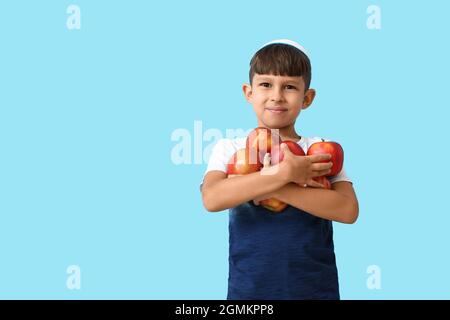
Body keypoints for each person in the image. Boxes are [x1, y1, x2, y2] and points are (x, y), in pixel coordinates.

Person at [200, 39, 359, 300]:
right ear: (248, 92)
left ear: (307, 98)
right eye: (265, 84)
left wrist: (277, 184)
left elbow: (347, 209)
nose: (276, 95)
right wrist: (284, 174)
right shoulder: (231, 148)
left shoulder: (317, 150)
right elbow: (213, 197)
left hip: (315, 290)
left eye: (289, 87)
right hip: (249, 293)